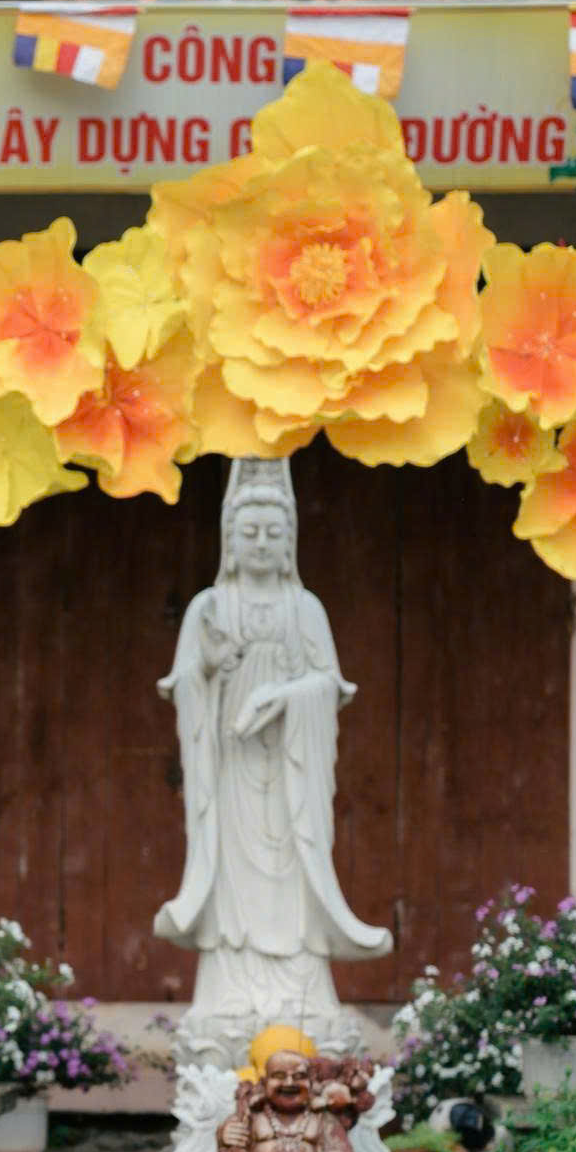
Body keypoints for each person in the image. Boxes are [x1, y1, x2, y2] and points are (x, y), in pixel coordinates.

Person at [152, 457, 390, 1066]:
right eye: (249, 532)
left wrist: (285, 697)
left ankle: (302, 995)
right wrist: (209, 669)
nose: (260, 543)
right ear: (230, 540)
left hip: (290, 776)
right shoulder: (209, 607)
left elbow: (329, 684)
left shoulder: (304, 609)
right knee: (234, 876)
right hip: (229, 772)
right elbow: (182, 684)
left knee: (292, 869)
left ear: (290, 542)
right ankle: (229, 995)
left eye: (272, 532)